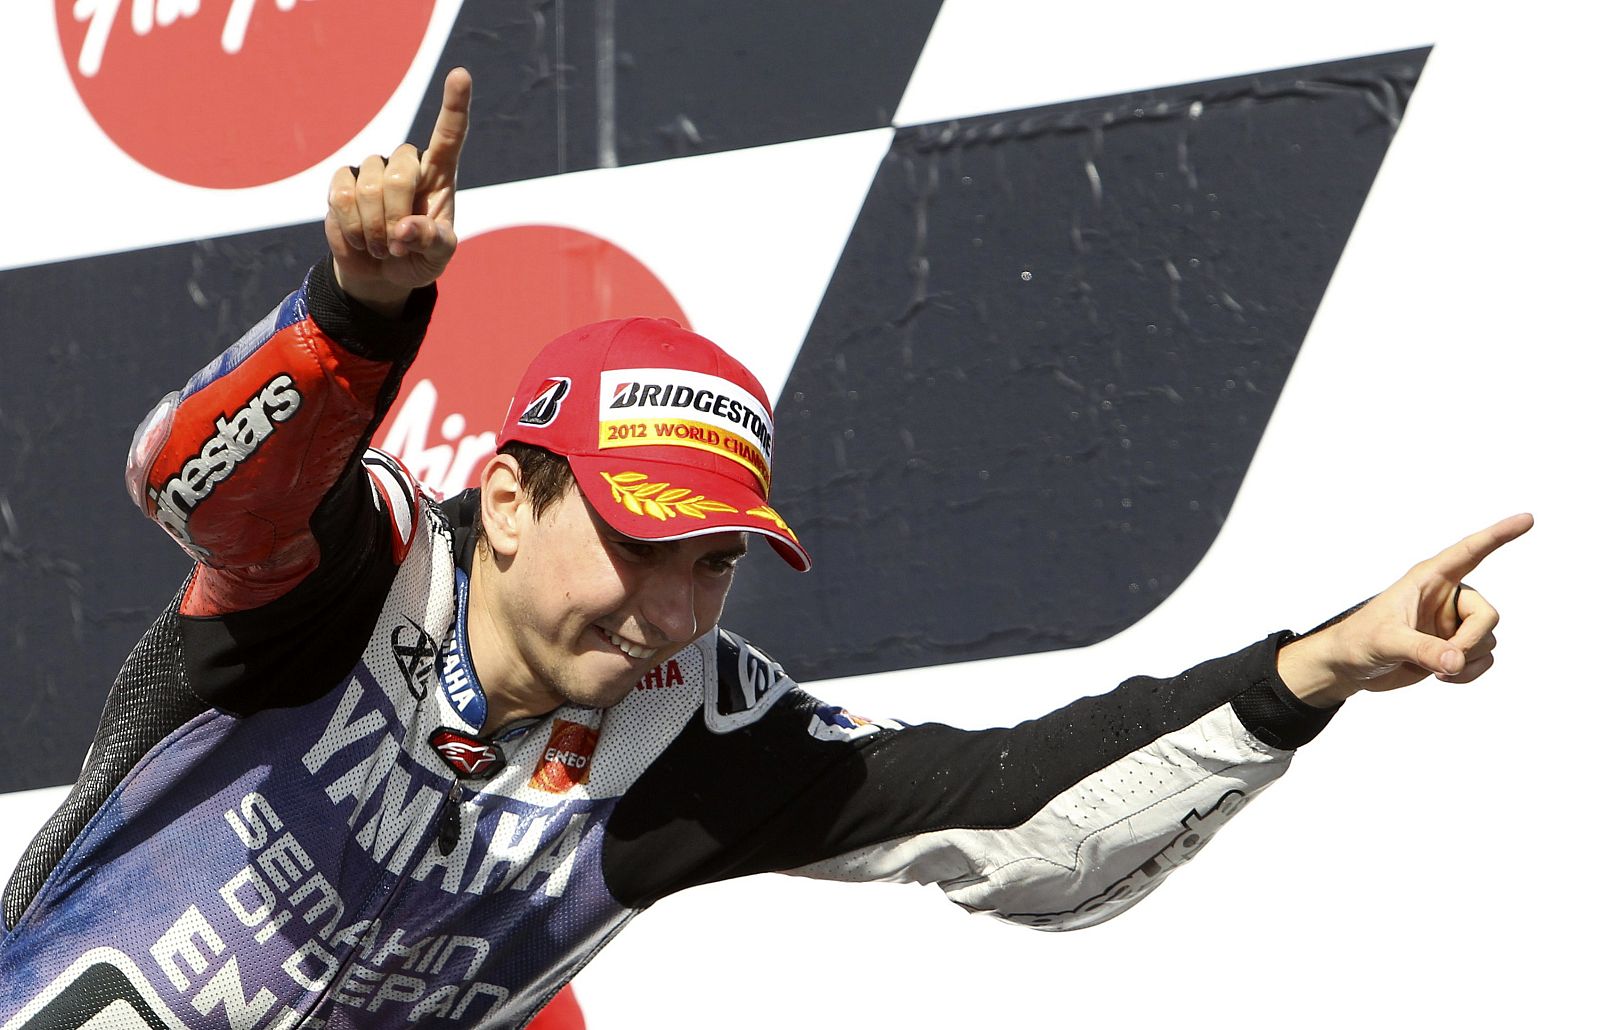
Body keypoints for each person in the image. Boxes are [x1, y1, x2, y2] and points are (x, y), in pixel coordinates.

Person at [0, 68, 1530, 1030]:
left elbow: (1021, 821)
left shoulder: (698, 730)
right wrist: (353, 319)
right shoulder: (365, 561)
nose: (671, 606)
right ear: (514, 497)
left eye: (715, 559)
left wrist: (1317, 666)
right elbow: (193, 490)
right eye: (642, 542)